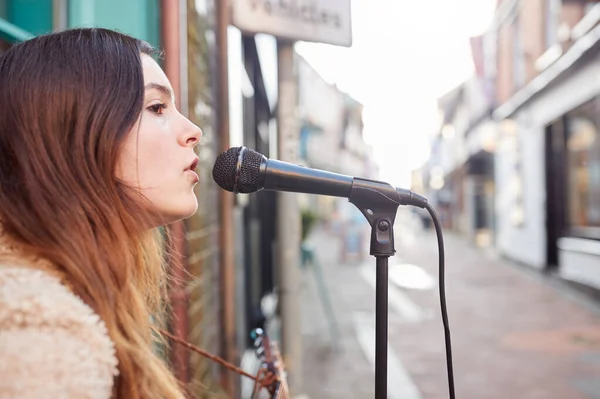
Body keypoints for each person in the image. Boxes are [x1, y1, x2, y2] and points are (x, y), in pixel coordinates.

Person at [0, 28, 202, 399]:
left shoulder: (67, 305)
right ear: (73, 135)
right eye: (157, 108)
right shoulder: (39, 336)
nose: (193, 131)